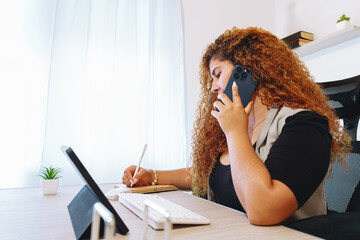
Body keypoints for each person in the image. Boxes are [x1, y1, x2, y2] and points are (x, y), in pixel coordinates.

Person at [122, 27, 351, 225]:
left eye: (218, 74)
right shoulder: (236, 127)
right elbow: (205, 175)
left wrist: (234, 132)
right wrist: (152, 176)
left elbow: (264, 210)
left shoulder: (305, 125)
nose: (212, 88)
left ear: (248, 70)